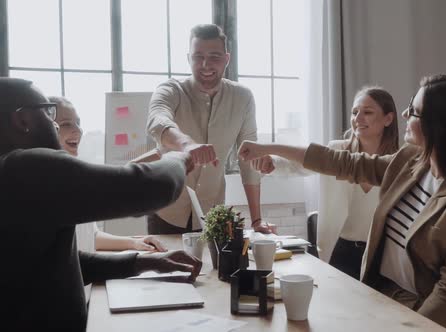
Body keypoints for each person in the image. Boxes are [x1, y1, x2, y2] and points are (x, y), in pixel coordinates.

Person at [239, 75, 446, 331]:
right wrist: (269, 147)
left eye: (413, 111)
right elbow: (341, 162)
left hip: (441, 320)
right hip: (390, 300)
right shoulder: (411, 162)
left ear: (442, 125)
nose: (405, 115)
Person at [0, 78, 203, 331]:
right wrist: (179, 158)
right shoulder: (22, 169)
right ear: (23, 120)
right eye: (48, 110)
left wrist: (144, 261)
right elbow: (149, 188)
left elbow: (62, 262)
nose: (53, 122)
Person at [251, 86, 398, 279]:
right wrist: (272, 162)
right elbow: (299, 165)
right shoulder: (336, 151)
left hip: (382, 255)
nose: (357, 118)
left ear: (388, 119)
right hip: (340, 249)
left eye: (367, 112)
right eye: (355, 112)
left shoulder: (398, 162)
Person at [146, 23, 271, 234]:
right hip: (166, 210)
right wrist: (187, 145)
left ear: (227, 59)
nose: (206, 64)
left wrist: (257, 220)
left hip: (212, 214)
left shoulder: (243, 98)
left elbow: (248, 158)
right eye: (198, 56)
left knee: (213, 267)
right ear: (188, 58)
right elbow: (157, 121)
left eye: (214, 56)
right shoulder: (170, 89)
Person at [49, 96, 167, 253]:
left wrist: (135, 242)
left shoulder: (74, 176)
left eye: (78, 123)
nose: (78, 130)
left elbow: (91, 235)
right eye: (66, 124)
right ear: (46, 128)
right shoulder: (50, 184)